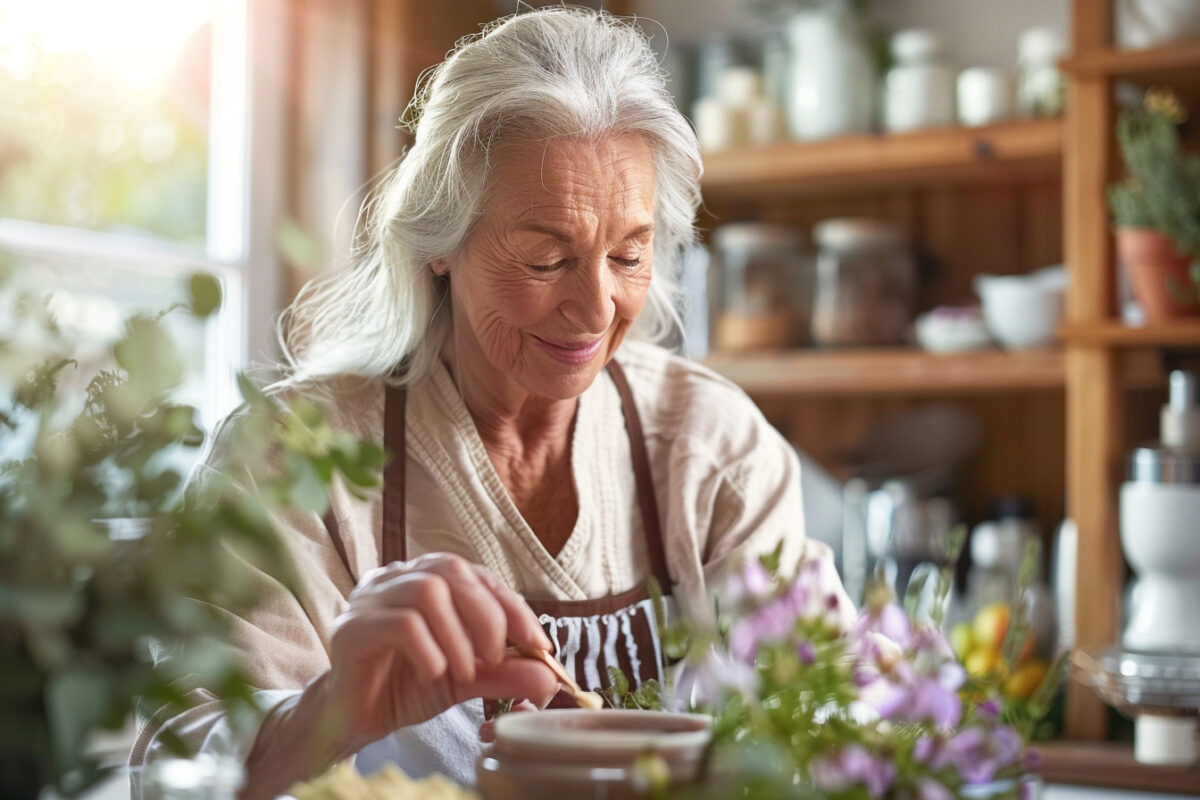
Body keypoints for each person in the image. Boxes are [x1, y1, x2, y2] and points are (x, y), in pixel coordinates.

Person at [130, 7, 851, 798]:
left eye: (628, 254)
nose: (597, 307)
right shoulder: (293, 457)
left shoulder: (711, 448)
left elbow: (828, 729)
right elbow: (173, 768)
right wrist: (336, 708)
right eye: (548, 259)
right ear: (440, 241)